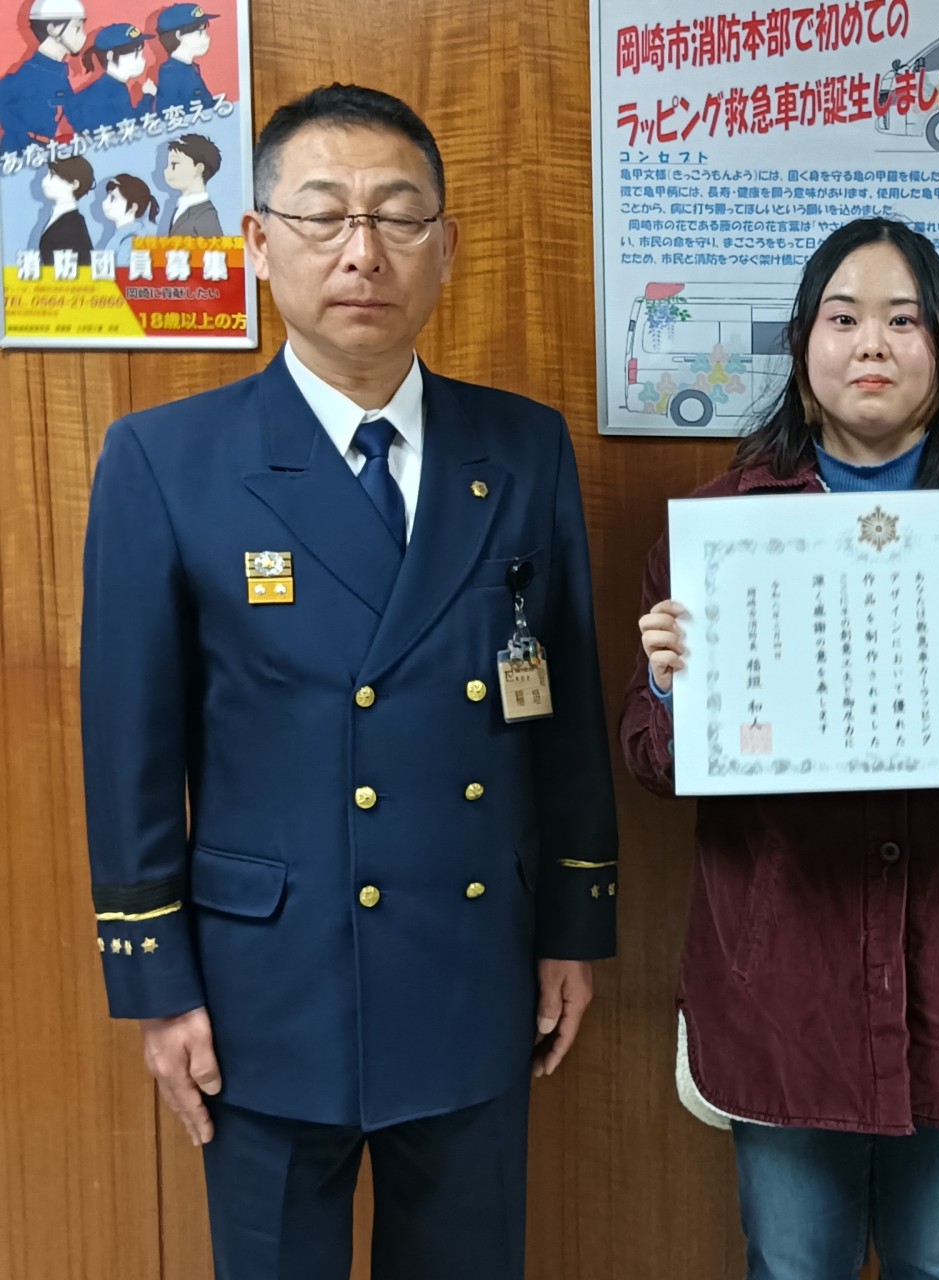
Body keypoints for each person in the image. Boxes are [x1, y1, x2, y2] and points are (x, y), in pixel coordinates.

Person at [80, 83, 617, 1280]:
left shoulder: (520, 445)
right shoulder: (166, 459)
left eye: (398, 215)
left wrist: (571, 926)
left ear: (447, 245)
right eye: (322, 215)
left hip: (470, 964)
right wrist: (156, 983)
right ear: (257, 241)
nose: (361, 251)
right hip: (264, 986)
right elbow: (130, 748)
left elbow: (563, 708)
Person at [621, 217, 939, 1280]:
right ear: (802, 347)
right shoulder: (720, 529)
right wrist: (671, 686)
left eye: (903, 320)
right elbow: (651, 759)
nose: (871, 344)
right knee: (791, 1265)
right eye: (843, 318)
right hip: (782, 982)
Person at [0, 0, 86, 147]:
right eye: (77, 28)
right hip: (20, 154)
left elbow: (76, 112)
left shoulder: (58, 73)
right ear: (53, 29)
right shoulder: (28, 74)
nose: (83, 36)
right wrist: (24, 135)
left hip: (45, 151)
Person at [69, 23, 156, 134]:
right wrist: (148, 97)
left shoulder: (108, 86)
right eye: (136, 55)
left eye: (141, 54)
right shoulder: (114, 92)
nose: (142, 60)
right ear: (110, 56)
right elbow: (132, 125)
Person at [152, 2, 218, 116]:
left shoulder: (191, 68)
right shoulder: (170, 73)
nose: (207, 37)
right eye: (200, 32)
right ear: (178, 36)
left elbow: (207, 102)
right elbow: (167, 115)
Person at [37, 153, 94, 269]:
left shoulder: (73, 225)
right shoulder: (64, 218)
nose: (44, 181)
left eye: (52, 175)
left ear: (74, 184)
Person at [162, 131, 222, 236]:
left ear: (199, 168)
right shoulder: (181, 207)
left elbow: (215, 246)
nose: (166, 170)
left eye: (174, 164)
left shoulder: (206, 215)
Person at [101, 172, 159, 256]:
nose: (105, 202)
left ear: (133, 207)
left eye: (113, 198)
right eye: (107, 196)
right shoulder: (125, 234)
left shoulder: (130, 240)